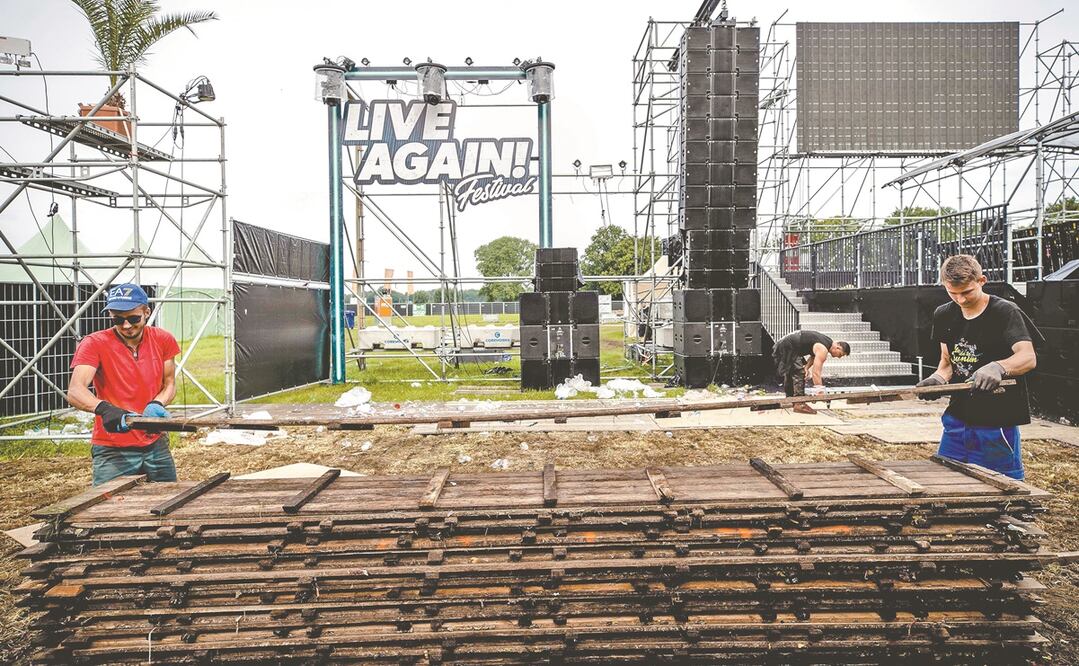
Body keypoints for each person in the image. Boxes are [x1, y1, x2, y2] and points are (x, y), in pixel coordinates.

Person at [916, 255, 1039, 480]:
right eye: (953, 293)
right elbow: (947, 362)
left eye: (967, 292)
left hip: (997, 420)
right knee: (948, 477)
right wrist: (937, 380)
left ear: (982, 280)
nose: (960, 300)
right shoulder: (943, 314)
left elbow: (1028, 357)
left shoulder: (1004, 311)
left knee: (1002, 483)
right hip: (958, 417)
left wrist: (999, 367)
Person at [66, 283, 181, 486]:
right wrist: (104, 409)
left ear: (147, 312)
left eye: (133, 318)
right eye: (118, 319)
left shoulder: (163, 340)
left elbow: (169, 383)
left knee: (168, 501)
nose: (126, 326)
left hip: (155, 442)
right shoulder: (94, 343)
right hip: (113, 447)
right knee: (106, 510)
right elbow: (76, 390)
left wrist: (157, 403)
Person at [772, 330, 851, 414]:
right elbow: (816, 372)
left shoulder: (827, 342)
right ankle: (799, 403)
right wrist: (819, 391)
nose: (838, 357)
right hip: (788, 346)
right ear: (838, 347)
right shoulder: (823, 349)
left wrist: (806, 367)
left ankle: (790, 399)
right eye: (840, 355)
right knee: (799, 372)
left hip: (785, 344)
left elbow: (813, 355)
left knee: (792, 371)